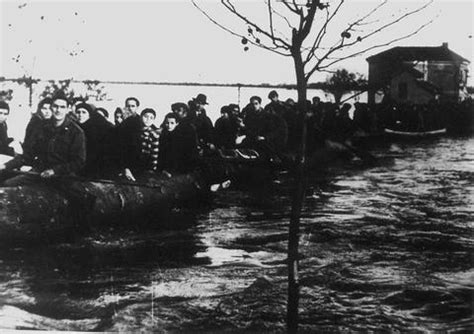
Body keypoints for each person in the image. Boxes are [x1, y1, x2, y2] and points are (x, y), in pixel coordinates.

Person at [0, 93, 86, 185]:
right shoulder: (42, 127)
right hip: (38, 173)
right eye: (55, 106)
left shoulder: (76, 132)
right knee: (7, 185)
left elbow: (78, 161)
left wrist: (54, 171)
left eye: (62, 107)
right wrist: (5, 165)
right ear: (51, 107)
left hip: (63, 177)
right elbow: (28, 156)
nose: (58, 110)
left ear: (68, 109)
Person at [120, 108, 161, 181]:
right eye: (146, 116)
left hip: (145, 169)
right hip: (130, 166)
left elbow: (154, 155)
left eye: (151, 118)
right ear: (141, 117)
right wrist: (125, 168)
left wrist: (152, 171)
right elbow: (125, 151)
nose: (148, 119)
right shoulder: (132, 132)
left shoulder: (154, 135)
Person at [74, 102, 113, 176]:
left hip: (94, 169)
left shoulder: (95, 130)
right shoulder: (74, 129)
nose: (80, 115)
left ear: (89, 115)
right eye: (78, 112)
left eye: (84, 112)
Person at [170, 102, 199, 173]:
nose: (175, 112)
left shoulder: (188, 127)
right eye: (174, 110)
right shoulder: (171, 122)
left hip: (184, 161)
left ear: (185, 113)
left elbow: (191, 148)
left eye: (179, 110)